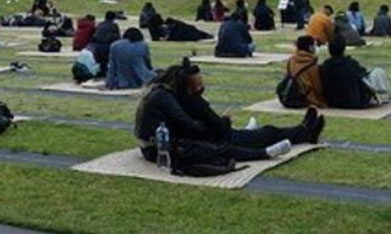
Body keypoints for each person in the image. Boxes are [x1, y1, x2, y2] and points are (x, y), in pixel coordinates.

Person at [134, 59, 325, 168]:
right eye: (197, 86)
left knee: (260, 134)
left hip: (172, 140)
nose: (200, 89)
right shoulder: (167, 97)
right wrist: (219, 123)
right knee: (225, 146)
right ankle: (266, 152)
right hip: (162, 147)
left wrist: (216, 124)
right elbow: (189, 125)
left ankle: (303, 132)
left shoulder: (167, 94)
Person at [319, 34, 384, 109]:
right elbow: (364, 77)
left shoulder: (325, 66)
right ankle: (383, 95)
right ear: (344, 49)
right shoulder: (351, 64)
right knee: (378, 72)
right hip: (354, 102)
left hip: (332, 102)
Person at [284, 35, 325, 107]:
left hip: (290, 94)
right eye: (314, 45)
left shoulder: (291, 60)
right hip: (306, 97)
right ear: (310, 47)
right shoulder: (311, 64)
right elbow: (317, 86)